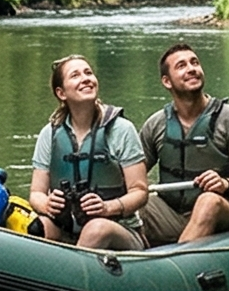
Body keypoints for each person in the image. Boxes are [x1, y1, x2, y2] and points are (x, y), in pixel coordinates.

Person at [134, 42, 229, 245]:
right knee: (135, 202)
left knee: (207, 200)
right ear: (167, 81)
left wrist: (225, 184)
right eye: (181, 65)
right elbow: (132, 179)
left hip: (224, 213)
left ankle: (176, 266)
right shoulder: (155, 124)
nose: (192, 69)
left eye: (195, 63)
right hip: (172, 215)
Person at [28, 53, 149, 251]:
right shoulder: (49, 134)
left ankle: (68, 278)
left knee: (96, 228)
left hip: (118, 230)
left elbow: (140, 192)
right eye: (75, 75)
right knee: (37, 227)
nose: (86, 78)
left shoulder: (121, 129)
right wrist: (47, 204)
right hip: (67, 230)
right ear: (61, 93)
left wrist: (107, 208)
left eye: (88, 73)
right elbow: (36, 193)